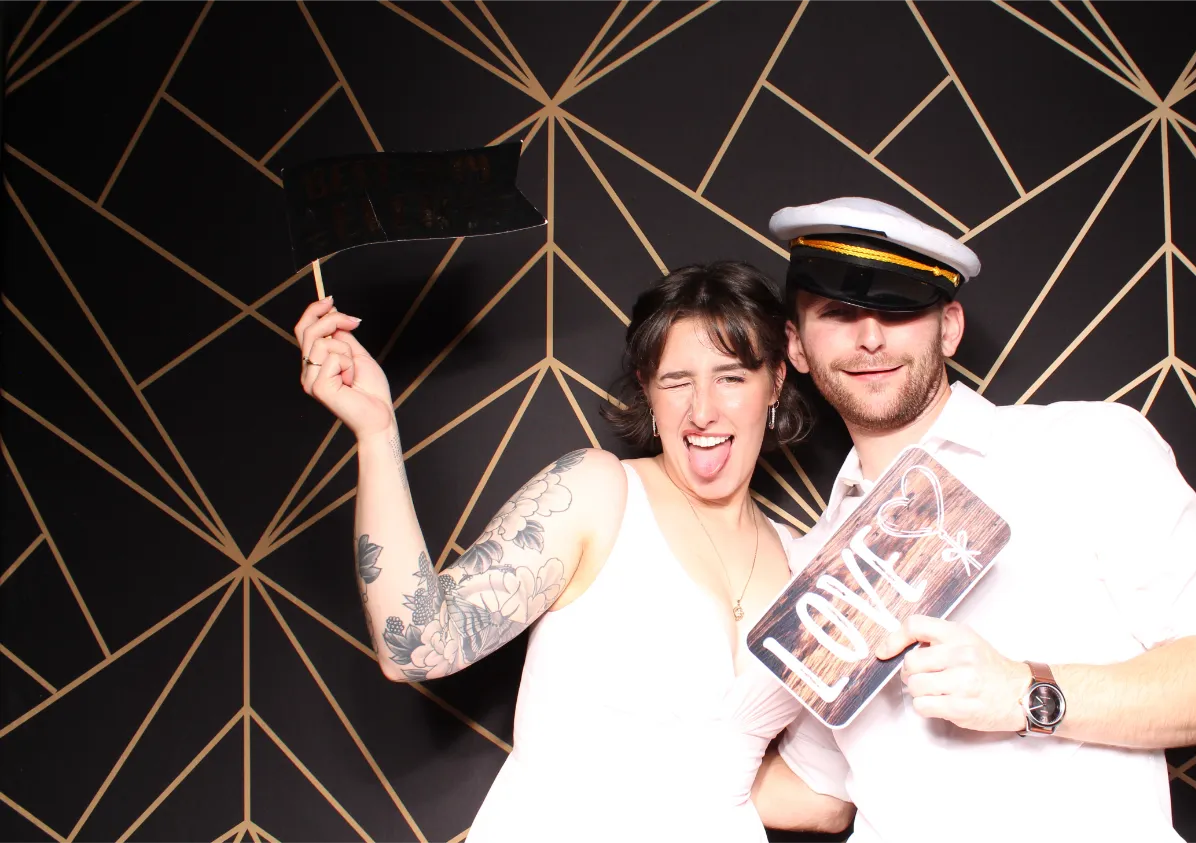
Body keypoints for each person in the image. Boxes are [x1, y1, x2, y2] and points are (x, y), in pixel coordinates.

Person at [749, 198, 1196, 842]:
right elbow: (821, 791)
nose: (870, 338)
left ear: (948, 328)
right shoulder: (812, 566)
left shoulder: (1085, 447)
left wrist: (1026, 696)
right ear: (796, 346)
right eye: (837, 314)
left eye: (899, 310)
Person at [293, 261, 854, 841]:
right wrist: (377, 431)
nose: (703, 409)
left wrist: (710, 785)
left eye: (732, 377)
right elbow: (415, 645)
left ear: (777, 382)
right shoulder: (596, 493)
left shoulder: (806, 567)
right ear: (647, 389)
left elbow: (826, 800)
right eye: (676, 380)